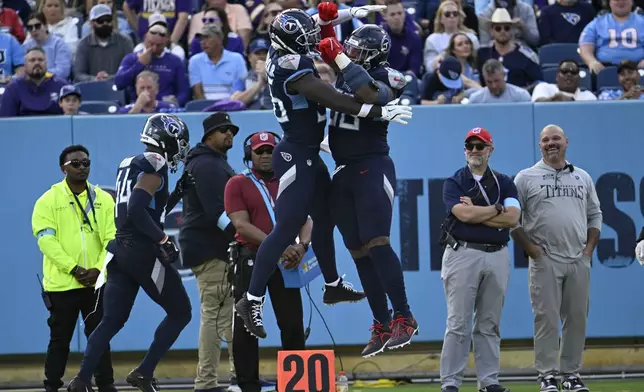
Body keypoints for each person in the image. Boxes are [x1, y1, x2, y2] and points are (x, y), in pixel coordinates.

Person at [235, 4, 413, 339]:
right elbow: (335, 100)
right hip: (296, 153)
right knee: (287, 227)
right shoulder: (294, 68)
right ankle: (251, 299)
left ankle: (332, 284)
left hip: (310, 153)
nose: (313, 42)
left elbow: (315, 24)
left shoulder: (282, 47)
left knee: (324, 217)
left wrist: (354, 10)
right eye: (305, 40)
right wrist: (378, 112)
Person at [67, 114, 194, 392]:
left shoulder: (130, 162)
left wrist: (176, 194)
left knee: (112, 320)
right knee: (181, 312)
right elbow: (137, 209)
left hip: (120, 249)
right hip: (141, 250)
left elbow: (146, 208)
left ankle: (81, 379)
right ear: (166, 138)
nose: (180, 148)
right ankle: (144, 372)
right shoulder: (156, 162)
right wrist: (163, 239)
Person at [320, 23, 418, 357]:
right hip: (343, 169)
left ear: (376, 54)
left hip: (371, 165)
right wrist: (327, 21)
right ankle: (382, 321)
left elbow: (370, 95)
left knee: (377, 243)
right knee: (358, 250)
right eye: (350, 49)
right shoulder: (346, 69)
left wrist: (343, 62)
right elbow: (326, 45)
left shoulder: (392, 76)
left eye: (359, 50)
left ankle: (405, 315)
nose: (351, 54)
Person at [511, 125, 602, 392]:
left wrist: (588, 251)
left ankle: (571, 375)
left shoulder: (582, 177)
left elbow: (595, 216)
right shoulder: (526, 177)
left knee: (577, 318)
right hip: (545, 259)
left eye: (556, 139)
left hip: (578, 258)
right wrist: (532, 250)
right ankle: (547, 375)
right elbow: (512, 220)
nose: (551, 143)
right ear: (539, 146)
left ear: (566, 142)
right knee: (546, 318)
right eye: (546, 140)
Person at [225, 131, 308, 392]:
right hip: (251, 258)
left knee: (293, 323)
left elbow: (307, 218)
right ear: (249, 154)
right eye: (259, 151)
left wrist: (302, 246)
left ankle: (296, 382)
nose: (265, 156)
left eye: (270, 150)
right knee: (247, 324)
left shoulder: (289, 181)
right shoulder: (237, 183)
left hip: (286, 262)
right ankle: (248, 385)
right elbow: (241, 225)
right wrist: (281, 247)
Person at [439, 128, 521, 392]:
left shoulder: (505, 182)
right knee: (458, 323)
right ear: (465, 150)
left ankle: (489, 382)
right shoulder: (454, 181)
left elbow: (512, 219)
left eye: (480, 145)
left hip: (497, 254)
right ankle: (450, 383)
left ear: (490, 149)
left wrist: (477, 211)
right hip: (463, 252)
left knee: (489, 323)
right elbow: (463, 215)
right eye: (470, 146)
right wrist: (495, 209)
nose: (475, 150)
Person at [32, 145, 116, 392]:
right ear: (63, 168)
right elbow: (46, 241)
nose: (82, 167)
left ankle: (106, 384)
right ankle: (52, 386)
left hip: (95, 283)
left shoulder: (103, 198)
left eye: (86, 163)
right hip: (62, 284)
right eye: (75, 164)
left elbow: (112, 239)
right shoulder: (48, 200)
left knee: (100, 338)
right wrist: (74, 269)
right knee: (60, 340)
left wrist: (99, 269)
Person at [179, 112, 238, 392]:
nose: (229, 134)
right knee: (216, 315)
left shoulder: (211, 162)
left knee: (227, 315)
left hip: (212, 247)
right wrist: (241, 238)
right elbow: (218, 213)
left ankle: (239, 375)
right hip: (210, 248)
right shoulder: (207, 165)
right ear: (208, 136)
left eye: (231, 130)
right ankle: (206, 382)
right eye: (223, 130)